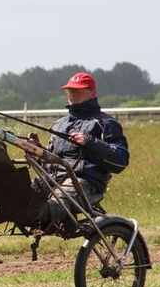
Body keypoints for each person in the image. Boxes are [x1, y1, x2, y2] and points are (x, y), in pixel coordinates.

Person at [29, 71, 130, 233]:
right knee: (18, 198)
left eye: (78, 90)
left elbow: (121, 160)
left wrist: (90, 142)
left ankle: (46, 216)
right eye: (70, 91)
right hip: (52, 177)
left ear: (92, 93)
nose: (72, 94)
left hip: (82, 181)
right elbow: (52, 156)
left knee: (50, 207)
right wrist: (37, 149)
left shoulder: (106, 123)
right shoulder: (59, 124)